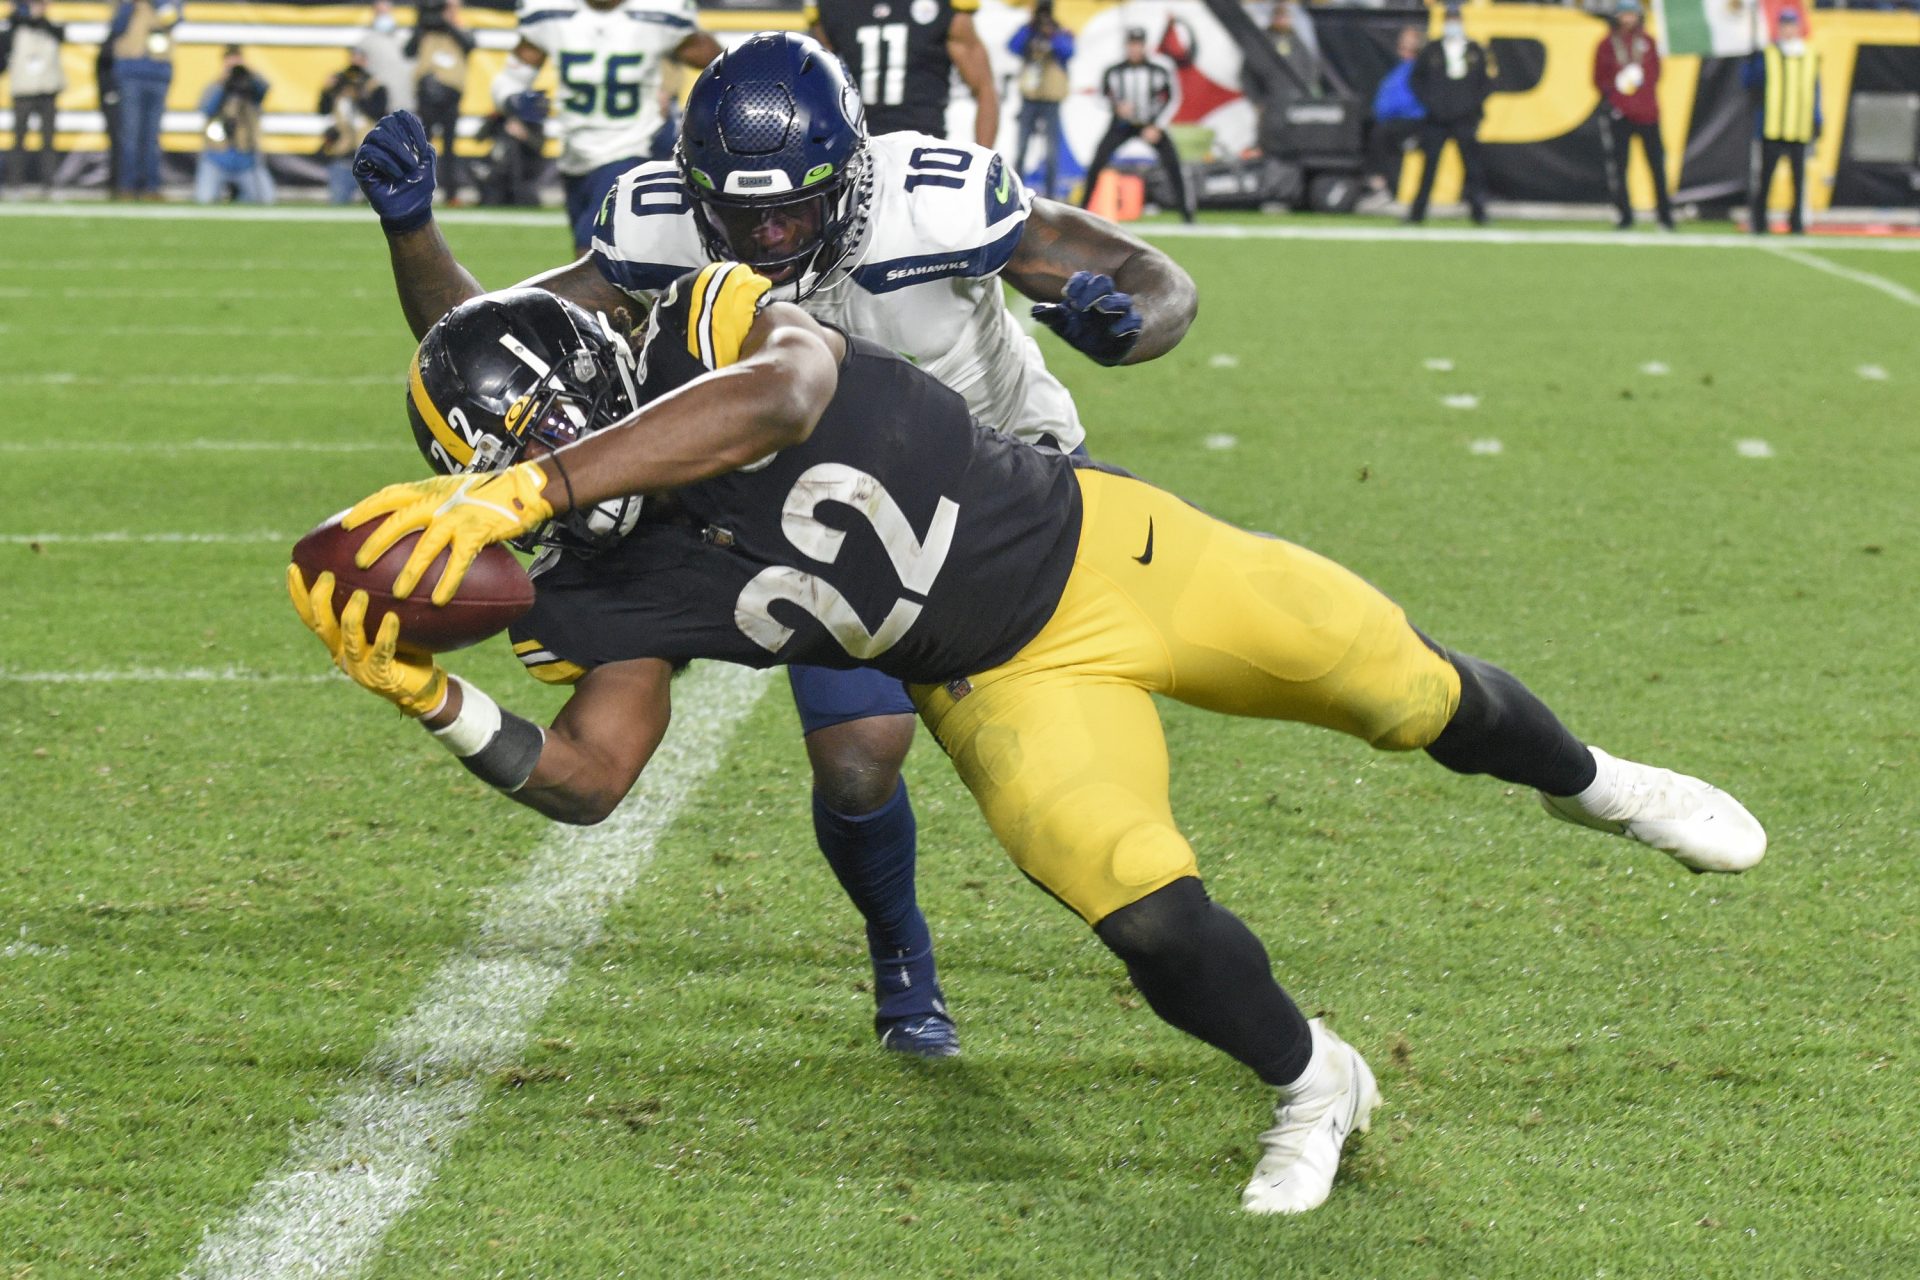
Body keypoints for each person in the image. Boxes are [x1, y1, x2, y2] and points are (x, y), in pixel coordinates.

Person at [290, 272, 1767, 1216]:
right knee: (1146, 914)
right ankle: (1317, 1082)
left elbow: (788, 393)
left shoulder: (705, 320)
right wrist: (437, 703)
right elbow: (594, 778)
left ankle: (1603, 788)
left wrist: (532, 489)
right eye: (495, 469)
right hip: (996, 680)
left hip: (1119, 552)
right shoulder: (585, 588)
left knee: (1406, 690)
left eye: (551, 446)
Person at [347, 32, 1199, 1059]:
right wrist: (414, 232)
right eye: (742, 213)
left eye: (795, 205)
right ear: (692, 188)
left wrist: (1129, 321)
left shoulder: (938, 197)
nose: (770, 233)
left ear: (853, 171)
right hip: (836, 512)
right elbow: (499, 349)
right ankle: (902, 956)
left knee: (1127, 714)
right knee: (857, 760)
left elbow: (1152, 275)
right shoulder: (654, 223)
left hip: (1015, 475)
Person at [489, 0, 720, 255]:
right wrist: (513, 99)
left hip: (633, 148)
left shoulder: (659, 14)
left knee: (592, 250)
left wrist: (687, 117)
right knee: (603, 257)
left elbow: (721, 68)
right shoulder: (551, 13)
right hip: (574, 154)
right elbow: (509, 79)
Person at [806, 0, 999, 147]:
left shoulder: (944, 7)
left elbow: (984, 88)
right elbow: (814, 89)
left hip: (924, 148)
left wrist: (982, 160)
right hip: (859, 148)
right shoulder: (832, 7)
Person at [1080, 28, 1193, 223]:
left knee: (1173, 163)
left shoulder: (1158, 70)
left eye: (1138, 44)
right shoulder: (1114, 71)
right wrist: (1116, 107)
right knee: (1098, 161)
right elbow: (1100, 96)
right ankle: (1081, 210)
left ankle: (1187, 214)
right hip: (1121, 125)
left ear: (1144, 46)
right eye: (1131, 44)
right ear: (1126, 46)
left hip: (1150, 124)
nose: (1134, 49)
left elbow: (1173, 98)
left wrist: (1157, 125)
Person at [1407, 3, 1494, 226]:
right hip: (1437, 119)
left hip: (1465, 118)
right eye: (1449, 20)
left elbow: (1485, 83)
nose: (1453, 25)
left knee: (1473, 168)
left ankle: (1479, 212)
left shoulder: (1474, 49)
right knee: (1429, 168)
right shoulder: (1432, 50)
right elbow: (1416, 80)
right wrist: (1431, 103)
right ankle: (1417, 213)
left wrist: (1471, 105)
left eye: (1456, 20)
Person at [1594, 0, 1672, 232]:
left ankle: (1665, 216)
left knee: (1657, 167)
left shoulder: (1647, 42)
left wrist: (1640, 95)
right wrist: (1617, 98)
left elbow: (1656, 74)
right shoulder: (1607, 45)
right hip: (1621, 115)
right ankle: (1624, 215)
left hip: (1648, 113)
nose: (1628, 19)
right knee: (1620, 167)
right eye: (1624, 15)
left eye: (1632, 14)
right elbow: (1599, 78)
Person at [1742, 8, 1820, 236]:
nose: (1788, 29)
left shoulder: (1809, 54)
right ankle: (1759, 221)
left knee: (1799, 181)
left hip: (1799, 126)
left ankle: (1796, 222)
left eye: (1792, 25)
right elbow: (1749, 83)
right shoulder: (1768, 54)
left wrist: (1817, 118)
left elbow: (1815, 89)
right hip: (1772, 126)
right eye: (1784, 25)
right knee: (1765, 179)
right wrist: (1751, 59)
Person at [105, 0, 179, 199]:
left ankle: (151, 187)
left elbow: (172, 18)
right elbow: (116, 28)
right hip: (131, 73)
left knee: (152, 136)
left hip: (158, 73)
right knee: (130, 134)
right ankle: (128, 186)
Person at [406, 0, 474, 204]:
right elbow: (408, 50)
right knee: (423, 144)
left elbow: (470, 45)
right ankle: (417, 190)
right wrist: (421, 25)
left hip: (450, 95)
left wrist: (448, 24)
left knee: (449, 145)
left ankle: (451, 193)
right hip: (427, 93)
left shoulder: (462, 28)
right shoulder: (426, 31)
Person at [194, 45, 273, 205]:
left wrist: (247, 73)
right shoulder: (214, 86)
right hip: (217, 157)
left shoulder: (251, 88)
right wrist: (223, 83)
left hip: (247, 160)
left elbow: (265, 88)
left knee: (267, 199)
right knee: (204, 200)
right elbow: (207, 109)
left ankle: (240, 196)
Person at [1009, 0, 1073, 200]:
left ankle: (1052, 195)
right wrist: (1030, 30)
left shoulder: (1060, 32)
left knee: (1052, 151)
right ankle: (1015, 192)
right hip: (1030, 98)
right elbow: (1012, 46)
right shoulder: (1029, 31)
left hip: (1051, 100)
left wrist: (1052, 35)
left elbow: (1068, 52)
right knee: (1021, 149)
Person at [3, 0, 66, 193]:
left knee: (48, 139)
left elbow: (60, 35)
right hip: (23, 90)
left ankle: (49, 183)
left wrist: (40, 19)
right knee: (19, 138)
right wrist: (19, 16)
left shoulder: (51, 26)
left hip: (47, 89)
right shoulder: (15, 28)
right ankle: (15, 182)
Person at [319, 47, 389, 205]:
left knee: (375, 205)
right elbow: (323, 109)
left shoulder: (375, 85)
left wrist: (360, 96)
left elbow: (379, 113)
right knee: (338, 201)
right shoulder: (339, 84)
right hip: (343, 152)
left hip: (368, 155)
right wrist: (327, 90)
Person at [1364, 25, 1424, 204]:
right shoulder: (1399, 68)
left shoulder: (1418, 69)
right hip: (1391, 119)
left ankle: (1383, 185)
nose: (1402, 48)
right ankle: (1378, 184)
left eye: (1407, 44)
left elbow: (1408, 101)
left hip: (1411, 120)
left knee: (1382, 135)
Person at [360, 0, 415, 116]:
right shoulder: (366, 42)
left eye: (385, 7)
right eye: (379, 9)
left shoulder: (405, 39)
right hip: (380, 108)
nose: (383, 11)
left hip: (406, 105)